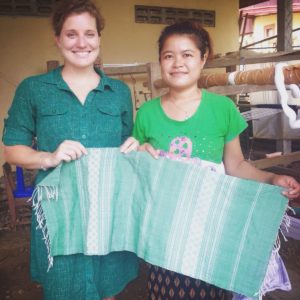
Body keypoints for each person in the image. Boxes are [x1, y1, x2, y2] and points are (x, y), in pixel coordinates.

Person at [129, 21, 300, 300]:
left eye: (187, 54)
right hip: (166, 229)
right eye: (168, 55)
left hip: (211, 225)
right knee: (166, 291)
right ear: (160, 60)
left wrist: (272, 179)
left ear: (203, 58)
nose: (177, 63)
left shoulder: (222, 109)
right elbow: (139, 172)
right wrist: (138, 156)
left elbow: (236, 166)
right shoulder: (147, 114)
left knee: (210, 291)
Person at [2, 0, 139, 299]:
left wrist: (134, 147)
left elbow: (127, 146)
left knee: (107, 285)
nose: (81, 43)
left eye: (89, 33)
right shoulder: (33, 89)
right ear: (58, 39)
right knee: (62, 286)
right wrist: (47, 157)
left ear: (99, 38)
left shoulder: (118, 93)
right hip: (58, 210)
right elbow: (11, 149)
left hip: (109, 208)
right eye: (71, 34)